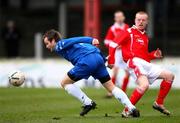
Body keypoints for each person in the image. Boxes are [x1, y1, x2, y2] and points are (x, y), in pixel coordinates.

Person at [42, 29, 140, 117]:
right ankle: (131, 108)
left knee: (64, 82)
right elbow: (93, 49)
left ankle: (87, 102)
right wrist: (105, 61)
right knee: (111, 87)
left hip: (86, 61)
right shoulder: (76, 47)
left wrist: (90, 39)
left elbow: (75, 39)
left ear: (53, 40)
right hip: (98, 59)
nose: (47, 46)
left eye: (47, 43)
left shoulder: (60, 45)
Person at [112, 11, 174, 117]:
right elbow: (113, 44)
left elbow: (144, 56)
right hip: (134, 61)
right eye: (138, 19)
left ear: (147, 22)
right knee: (144, 85)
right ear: (135, 20)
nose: (140, 22)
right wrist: (111, 60)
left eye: (143, 20)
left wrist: (153, 55)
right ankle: (127, 110)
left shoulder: (145, 36)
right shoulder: (128, 31)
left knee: (169, 76)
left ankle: (159, 103)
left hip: (144, 63)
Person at [104, 11, 130, 97]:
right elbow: (106, 41)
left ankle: (123, 92)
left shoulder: (127, 27)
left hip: (125, 52)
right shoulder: (112, 28)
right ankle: (111, 91)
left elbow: (130, 39)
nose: (119, 19)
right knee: (115, 71)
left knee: (128, 72)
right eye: (117, 17)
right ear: (115, 19)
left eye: (120, 17)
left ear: (123, 17)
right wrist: (115, 44)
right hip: (117, 53)